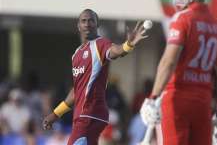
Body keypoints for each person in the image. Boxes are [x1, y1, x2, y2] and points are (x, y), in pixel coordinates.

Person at [140, 0, 217, 145]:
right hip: (204, 101)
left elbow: (169, 62)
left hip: (177, 98)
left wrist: (153, 97)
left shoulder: (183, 19)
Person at [42, 9, 148, 145]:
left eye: (91, 20)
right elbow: (76, 91)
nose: (87, 24)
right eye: (83, 21)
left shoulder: (100, 44)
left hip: (89, 113)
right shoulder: (76, 55)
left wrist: (128, 45)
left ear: (97, 25)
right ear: (78, 26)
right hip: (85, 115)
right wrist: (56, 114)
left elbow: (115, 51)